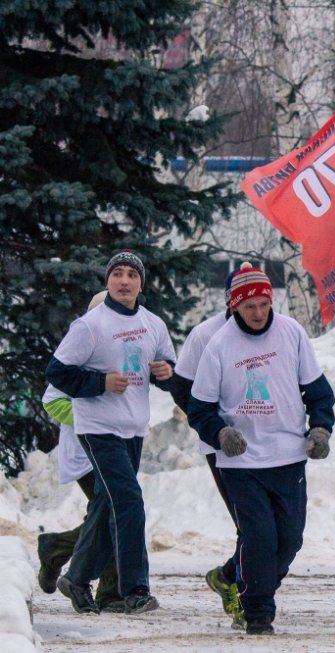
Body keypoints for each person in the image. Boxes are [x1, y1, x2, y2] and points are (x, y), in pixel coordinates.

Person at [187, 263, 335, 636]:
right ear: (235, 306)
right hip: (242, 460)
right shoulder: (220, 344)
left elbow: (318, 392)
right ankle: (258, 612)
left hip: (288, 455)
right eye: (250, 306)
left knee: (290, 539)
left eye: (264, 304)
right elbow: (199, 408)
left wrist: (319, 428)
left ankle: (232, 578)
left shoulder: (292, 333)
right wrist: (221, 433)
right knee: (259, 536)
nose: (258, 313)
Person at [45, 250, 176, 615]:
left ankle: (77, 577)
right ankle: (134, 589)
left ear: (140, 283)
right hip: (97, 427)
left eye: (131, 275)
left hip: (133, 427)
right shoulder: (90, 326)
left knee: (107, 505)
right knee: (129, 501)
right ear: (107, 281)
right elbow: (57, 373)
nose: (124, 281)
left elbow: (168, 368)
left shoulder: (153, 324)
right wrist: (99, 382)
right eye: (117, 274)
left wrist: (168, 373)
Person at [36, 291, 124, 613]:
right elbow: (52, 399)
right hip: (86, 453)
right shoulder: (81, 352)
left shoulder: (121, 351)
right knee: (115, 514)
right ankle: (109, 592)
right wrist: (89, 420)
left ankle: (56, 550)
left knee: (112, 515)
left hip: (116, 448)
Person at [169, 268, 244, 627]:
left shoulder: (278, 331)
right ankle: (245, 594)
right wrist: (213, 427)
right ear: (229, 297)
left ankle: (230, 576)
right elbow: (181, 388)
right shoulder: (205, 335)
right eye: (238, 294)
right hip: (222, 446)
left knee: (277, 528)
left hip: (270, 444)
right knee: (248, 522)